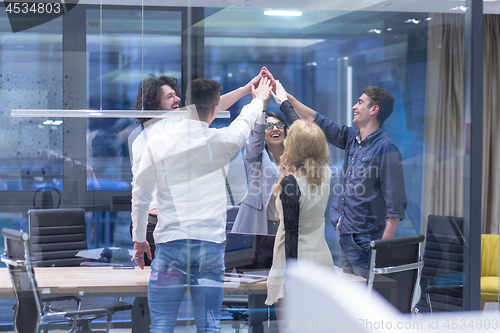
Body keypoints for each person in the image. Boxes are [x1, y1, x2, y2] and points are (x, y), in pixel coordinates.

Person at [128, 72, 267, 332]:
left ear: (186, 106)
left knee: (162, 325)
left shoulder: (156, 141)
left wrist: (139, 238)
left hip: (170, 244)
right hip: (210, 246)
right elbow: (246, 120)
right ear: (214, 110)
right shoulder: (223, 141)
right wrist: (257, 97)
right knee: (210, 325)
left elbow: (141, 196)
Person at [271, 78, 407, 279]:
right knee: (350, 300)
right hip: (346, 237)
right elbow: (317, 121)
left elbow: (395, 204)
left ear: (374, 109)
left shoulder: (386, 148)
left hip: (366, 240)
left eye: (360, 102)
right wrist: (285, 98)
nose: (354, 106)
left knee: (367, 300)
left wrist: (382, 249)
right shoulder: (352, 138)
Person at [264, 120, 334, 315]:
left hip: (293, 263)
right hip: (322, 260)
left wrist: (290, 278)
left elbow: (292, 233)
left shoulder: (290, 182)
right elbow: (310, 138)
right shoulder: (325, 172)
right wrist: (285, 104)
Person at [231, 109, 288, 235]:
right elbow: (256, 138)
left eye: (279, 125)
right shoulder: (255, 156)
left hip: (286, 226)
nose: (275, 129)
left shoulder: (293, 159)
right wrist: (262, 107)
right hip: (259, 223)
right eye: (269, 126)